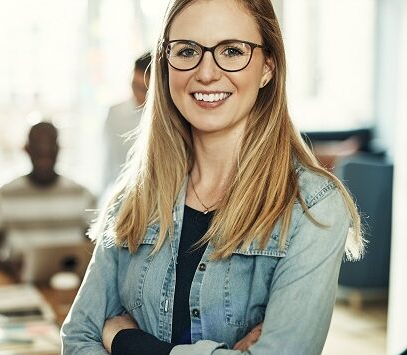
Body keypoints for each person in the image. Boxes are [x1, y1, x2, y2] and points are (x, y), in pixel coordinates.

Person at [61, 0, 364, 354]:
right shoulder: (133, 198)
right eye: (187, 51)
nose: (206, 73)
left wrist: (126, 341)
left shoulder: (312, 207)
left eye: (232, 51)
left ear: (268, 67)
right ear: (165, 65)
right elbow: (78, 339)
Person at [0, 122, 95, 281]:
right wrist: (11, 268)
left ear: (58, 149)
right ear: (27, 149)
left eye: (49, 147)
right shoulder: (2, 196)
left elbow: (97, 252)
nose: (44, 151)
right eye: (38, 148)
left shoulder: (83, 195)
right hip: (21, 287)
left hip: (70, 287)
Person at [102, 51, 151, 195]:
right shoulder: (115, 114)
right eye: (134, 85)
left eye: (144, 89)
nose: (137, 94)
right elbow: (108, 163)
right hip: (123, 196)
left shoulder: (172, 118)